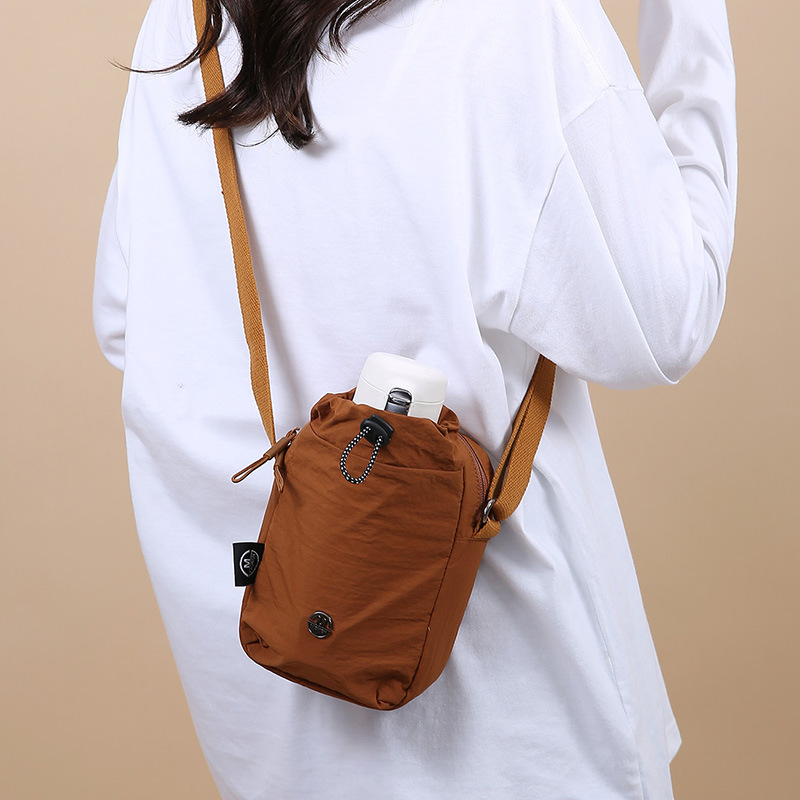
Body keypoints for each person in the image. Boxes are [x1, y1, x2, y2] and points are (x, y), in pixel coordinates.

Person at [92, 0, 737, 797]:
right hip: (517, 726)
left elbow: (126, 320)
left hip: (269, 724)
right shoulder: (517, 22)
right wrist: (690, 28)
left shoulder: (186, 18)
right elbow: (668, 321)